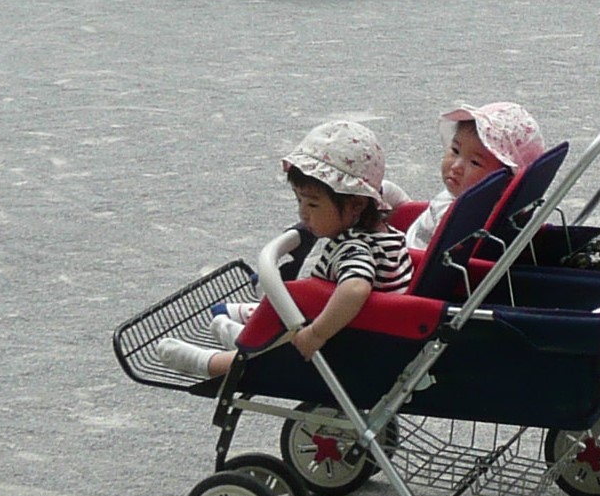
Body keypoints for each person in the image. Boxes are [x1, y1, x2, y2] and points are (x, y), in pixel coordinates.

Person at [156, 121, 413, 380]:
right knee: (301, 298)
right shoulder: (386, 236)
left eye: (313, 204)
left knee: (281, 347)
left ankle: (213, 363)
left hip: (345, 342)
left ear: (356, 205)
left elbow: (355, 288)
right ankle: (251, 333)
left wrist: (316, 334)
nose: (302, 212)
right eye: (299, 200)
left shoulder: (355, 248)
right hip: (377, 336)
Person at [402, 101, 548, 253]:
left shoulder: (459, 217)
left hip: (408, 267)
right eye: (455, 150)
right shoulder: (490, 206)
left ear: (506, 181)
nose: (456, 166)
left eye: (475, 162)